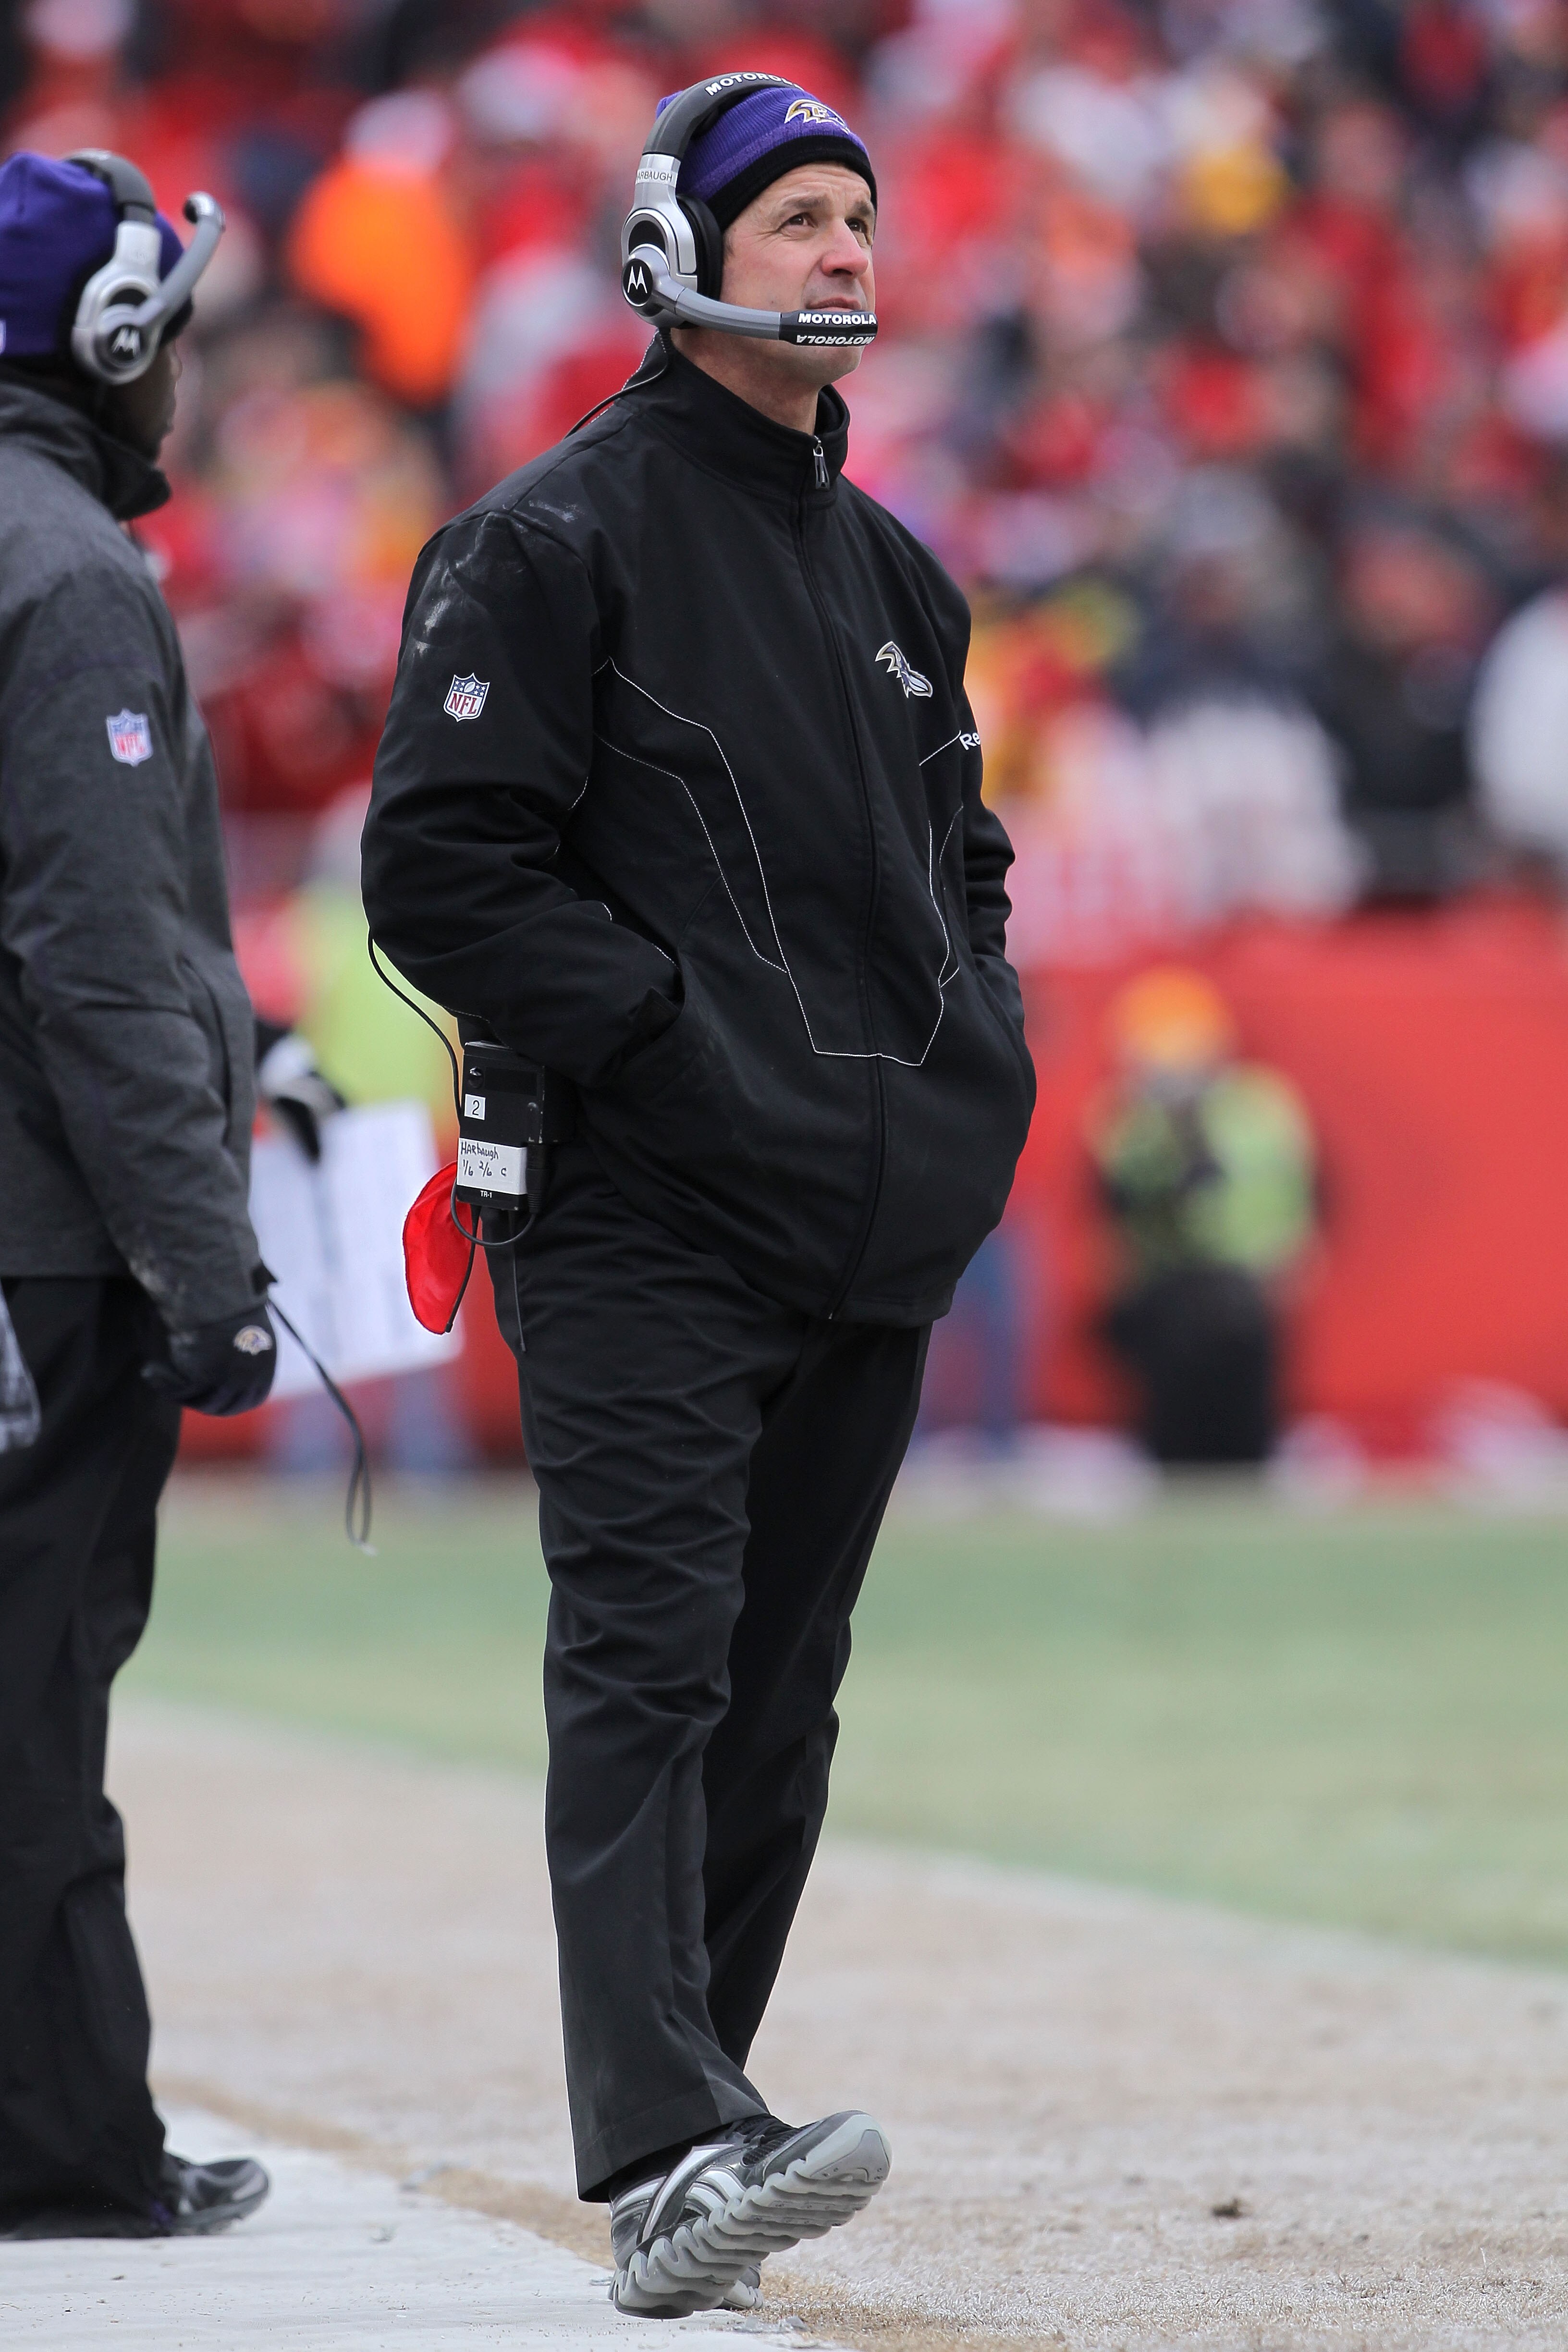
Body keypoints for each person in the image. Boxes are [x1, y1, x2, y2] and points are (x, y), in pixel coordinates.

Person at [363, 75, 1034, 2318]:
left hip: (865, 1221)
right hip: (640, 1211)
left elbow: (967, 863)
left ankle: (708, 2120)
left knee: (779, 1689)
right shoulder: (552, 537)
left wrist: (974, 1071)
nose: (846, 252)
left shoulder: (895, 569)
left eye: (860, 215)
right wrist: (675, 1041)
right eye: (798, 219)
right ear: (678, 250)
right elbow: (438, 869)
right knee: (648, 1660)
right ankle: (662, 2144)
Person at [0, 151, 276, 2238]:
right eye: (165, 320)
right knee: (31, 1695)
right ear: (104, 339)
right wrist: (205, 1263)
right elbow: (95, 958)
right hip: (37, 1245)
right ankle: (64, 2144)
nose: (182, 358)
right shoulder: (67, 570)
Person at [1090, 967, 1316, 1465]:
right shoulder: (1127, 1120)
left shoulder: (1261, 1104)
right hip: (1169, 1290)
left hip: (1249, 1288)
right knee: (1174, 1434)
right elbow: (1117, 1209)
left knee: (1245, 1431)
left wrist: (1295, 1255)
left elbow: (1307, 1188)